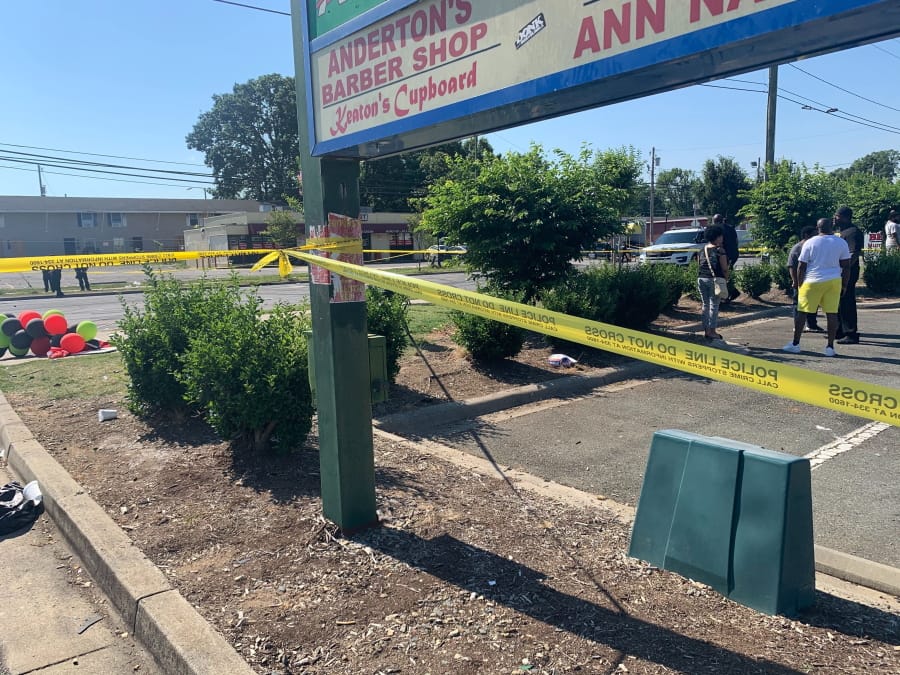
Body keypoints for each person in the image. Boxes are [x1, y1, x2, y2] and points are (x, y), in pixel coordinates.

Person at [783, 218, 850, 357]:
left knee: (802, 312)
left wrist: (799, 283)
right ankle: (830, 347)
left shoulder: (810, 242)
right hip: (833, 280)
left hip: (812, 280)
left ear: (817, 227)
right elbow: (846, 265)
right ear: (832, 227)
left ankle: (795, 344)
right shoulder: (841, 242)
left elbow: (801, 265)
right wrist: (844, 284)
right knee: (832, 313)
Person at [834, 206, 863, 344]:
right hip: (842, 270)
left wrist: (844, 270)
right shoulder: (844, 232)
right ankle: (839, 330)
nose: (835, 218)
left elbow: (853, 254)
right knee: (839, 301)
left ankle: (851, 333)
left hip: (848, 272)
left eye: (837, 216)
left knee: (847, 301)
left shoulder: (852, 232)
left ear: (845, 217)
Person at [787, 226, 824, 333]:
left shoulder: (815, 247)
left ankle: (812, 324)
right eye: (814, 234)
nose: (817, 236)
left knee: (814, 302)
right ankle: (798, 325)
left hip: (813, 280)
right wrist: (795, 280)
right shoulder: (797, 248)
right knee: (798, 303)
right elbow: (791, 266)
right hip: (801, 281)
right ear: (806, 235)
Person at [697, 224, 729, 340]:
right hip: (714, 280)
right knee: (714, 306)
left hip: (701, 278)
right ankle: (712, 331)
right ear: (716, 237)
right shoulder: (720, 250)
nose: (722, 238)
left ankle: (706, 330)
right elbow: (724, 268)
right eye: (720, 236)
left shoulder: (702, 249)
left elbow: (699, 264)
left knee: (705, 305)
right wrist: (726, 279)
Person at [719, 215, 741, 304]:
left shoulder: (719, 229)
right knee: (728, 272)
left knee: (723, 273)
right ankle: (731, 292)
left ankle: (730, 292)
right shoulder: (731, 228)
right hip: (734, 253)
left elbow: (719, 242)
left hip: (725, 254)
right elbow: (736, 241)